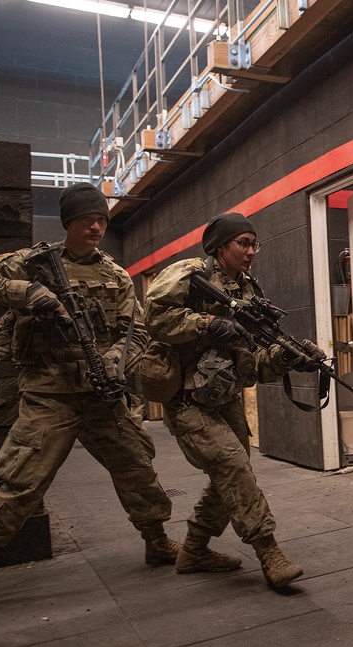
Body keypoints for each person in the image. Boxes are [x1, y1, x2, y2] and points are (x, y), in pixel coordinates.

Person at [0, 182, 179, 567]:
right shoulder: (31, 262)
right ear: (68, 222)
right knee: (22, 482)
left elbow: (136, 331)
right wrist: (26, 293)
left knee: (137, 469)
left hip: (101, 393)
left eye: (100, 220)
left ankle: (157, 541)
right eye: (85, 219)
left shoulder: (116, 275)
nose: (95, 227)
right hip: (50, 394)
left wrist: (114, 361)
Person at [144, 212, 319, 592]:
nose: (252, 251)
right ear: (220, 247)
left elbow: (251, 362)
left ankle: (193, 550)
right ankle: (269, 552)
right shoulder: (191, 273)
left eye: (255, 243)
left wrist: (285, 358)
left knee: (231, 474)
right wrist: (206, 324)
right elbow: (154, 316)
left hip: (223, 397)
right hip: (186, 400)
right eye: (243, 243)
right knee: (233, 466)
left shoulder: (247, 291)